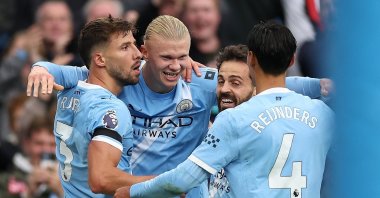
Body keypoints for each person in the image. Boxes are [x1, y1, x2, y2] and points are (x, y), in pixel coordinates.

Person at [27, 16, 329, 198]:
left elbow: (258, 82)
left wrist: (319, 86)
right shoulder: (120, 80)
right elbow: (73, 73)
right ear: (144, 53)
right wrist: (40, 68)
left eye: (182, 56)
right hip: (136, 193)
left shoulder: (199, 79)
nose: (176, 66)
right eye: (167, 58)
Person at [113, 21, 334, 198]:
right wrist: (319, 85)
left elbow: (184, 178)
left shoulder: (233, 120)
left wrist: (133, 192)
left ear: (251, 60)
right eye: (221, 81)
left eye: (236, 82)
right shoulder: (322, 114)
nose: (224, 90)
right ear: (292, 60)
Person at [40, 16, 151, 197]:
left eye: (134, 44)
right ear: (100, 60)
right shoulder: (110, 109)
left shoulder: (68, 90)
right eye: (125, 47)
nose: (137, 53)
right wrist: (164, 182)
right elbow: (101, 179)